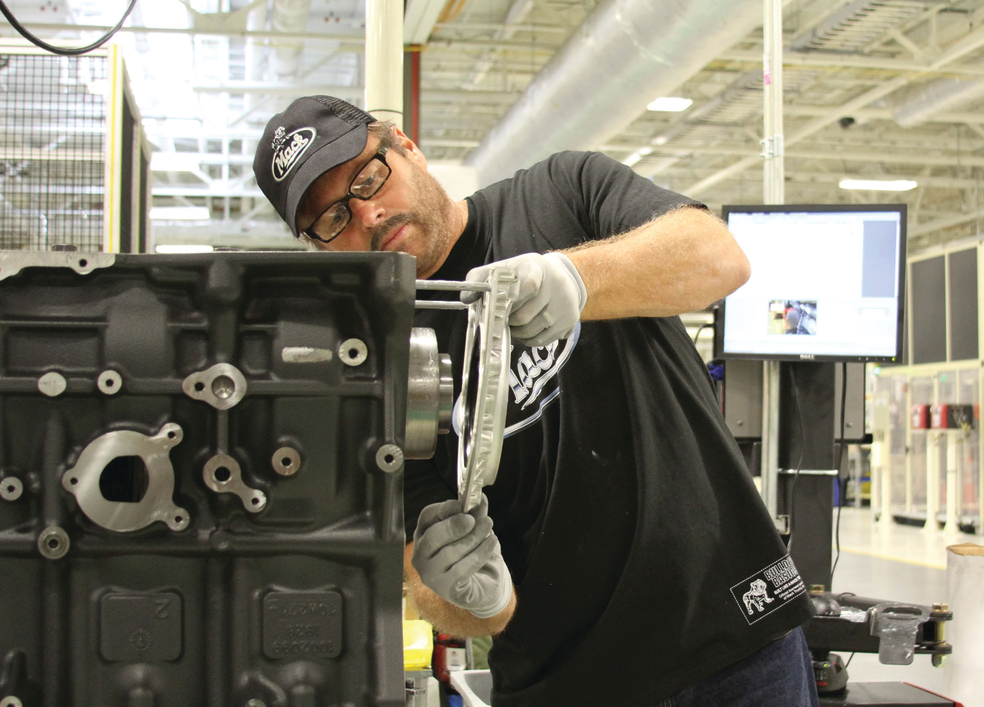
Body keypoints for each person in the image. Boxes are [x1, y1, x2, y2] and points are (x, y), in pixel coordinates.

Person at [253, 96, 819, 707]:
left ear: (405, 145)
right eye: (333, 218)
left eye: (368, 176)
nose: (367, 212)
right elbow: (441, 590)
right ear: (319, 246)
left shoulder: (560, 194)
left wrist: (576, 278)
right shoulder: (373, 368)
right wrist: (471, 597)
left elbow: (719, 258)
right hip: (565, 683)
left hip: (736, 642)